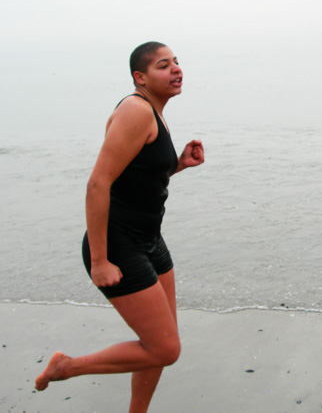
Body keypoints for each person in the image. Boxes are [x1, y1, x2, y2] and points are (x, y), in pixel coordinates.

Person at [35, 42, 205, 412]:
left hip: (149, 240)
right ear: (140, 78)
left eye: (177, 62)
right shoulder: (135, 110)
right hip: (118, 244)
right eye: (164, 65)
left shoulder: (153, 114)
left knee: (159, 345)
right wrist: (100, 260)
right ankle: (67, 366)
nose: (176, 69)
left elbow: (136, 177)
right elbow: (99, 183)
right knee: (165, 349)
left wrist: (177, 164)